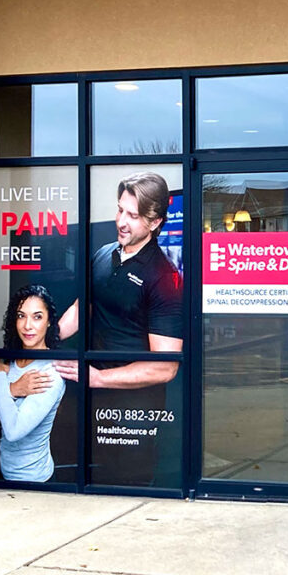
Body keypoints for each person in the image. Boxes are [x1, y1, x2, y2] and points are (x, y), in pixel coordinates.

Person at [51, 171, 183, 485]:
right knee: (75, 475)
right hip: (87, 393)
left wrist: (99, 378)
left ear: (154, 222)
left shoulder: (165, 279)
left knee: (123, 484)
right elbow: (84, 308)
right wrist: (42, 340)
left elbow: (165, 367)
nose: (121, 221)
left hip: (131, 408)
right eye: (120, 210)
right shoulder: (103, 254)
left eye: (132, 215)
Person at [0, 285, 66, 482]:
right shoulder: (10, 363)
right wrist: (13, 389)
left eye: (37, 317)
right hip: (3, 473)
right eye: (21, 316)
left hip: (36, 481)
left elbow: (14, 431)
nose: (27, 326)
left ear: (49, 322)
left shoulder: (50, 374)